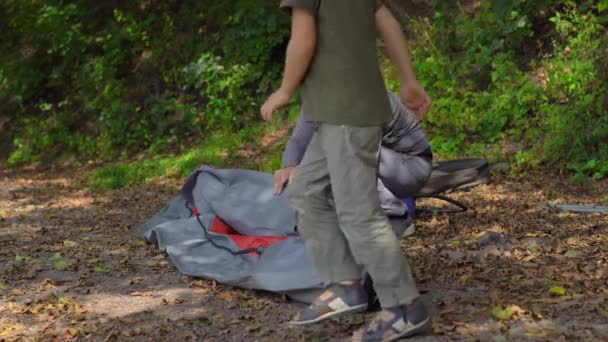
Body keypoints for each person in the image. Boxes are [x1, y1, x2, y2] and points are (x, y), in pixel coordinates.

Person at [260, 1, 432, 340]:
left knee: (358, 212)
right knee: (306, 192)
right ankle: (346, 285)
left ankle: (404, 307)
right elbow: (389, 24)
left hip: (346, 116)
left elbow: (303, 37)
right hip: (337, 115)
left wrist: (284, 89)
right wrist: (409, 81)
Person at [273, 90, 433, 237]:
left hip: (412, 166)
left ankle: (397, 217)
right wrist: (289, 167)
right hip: (382, 166)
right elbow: (298, 141)